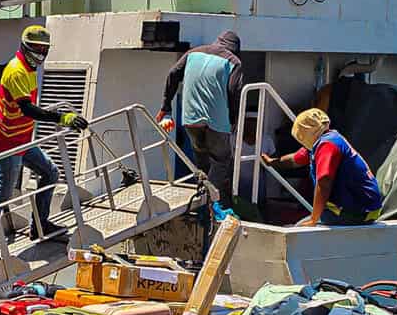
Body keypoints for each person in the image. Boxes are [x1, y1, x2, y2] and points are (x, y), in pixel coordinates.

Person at [0, 25, 87, 263]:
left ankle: (40, 224)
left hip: (20, 139)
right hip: (8, 142)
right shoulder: (17, 71)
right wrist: (63, 117)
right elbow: (28, 109)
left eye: (44, 49)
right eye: (37, 49)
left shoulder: (29, 69)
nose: (41, 53)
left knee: (50, 172)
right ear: (25, 47)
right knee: (2, 194)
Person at [157, 29, 245, 211]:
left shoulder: (192, 53)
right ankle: (207, 201)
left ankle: (203, 199)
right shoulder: (234, 61)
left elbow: (173, 74)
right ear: (235, 48)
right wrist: (233, 120)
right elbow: (234, 91)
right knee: (222, 160)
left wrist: (166, 107)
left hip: (190, 120)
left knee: (202, 160)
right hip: (217, 122)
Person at [261, 107, 383, 228]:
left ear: (305, 132)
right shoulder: (327, 139)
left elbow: (324, 181)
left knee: (298, 229)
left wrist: (314, 219)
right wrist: (272, 162)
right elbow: (294, 160)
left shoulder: (327, 145)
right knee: (303, 223)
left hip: (357, 211)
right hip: (367, 209)